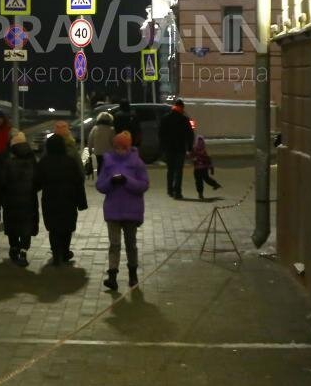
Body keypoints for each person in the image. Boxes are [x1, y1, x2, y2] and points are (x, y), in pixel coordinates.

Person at [96, 131, 150, 290]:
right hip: (113, 209)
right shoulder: (108, 161)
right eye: (117, 147)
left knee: (130, 244)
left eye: (123, 147)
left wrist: (127, 181)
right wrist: (111, 182)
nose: (120, 150)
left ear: (128, 147)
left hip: (131, 210)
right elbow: (100, 185)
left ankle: (133, 275)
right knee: (114, 244)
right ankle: (112, 276)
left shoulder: (137, 163)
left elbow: (144, 185)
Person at [35, 134, 88, 265]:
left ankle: (56, 253)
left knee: (53, 228)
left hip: (50, 200)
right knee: (67, 227)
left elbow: (37, 181)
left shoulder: (44, 162)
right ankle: (65, 252)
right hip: (68, 200)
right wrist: (82, 202)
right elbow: (78, 182)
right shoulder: (70, 161)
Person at [0, 132, 39, 266]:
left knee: (12, 224)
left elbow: (1, 180)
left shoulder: (7, 157)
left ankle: (14, 247)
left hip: (10, 199)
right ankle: (23, 251)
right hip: (29, 199)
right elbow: (38, 179)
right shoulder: (32, 157)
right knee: (27, 225)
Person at [158, 98, 195, 199]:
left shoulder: (165, 118)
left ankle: (170, 190)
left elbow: (160, 134)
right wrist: (190, 147)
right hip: (180, 148)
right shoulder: (184, 119)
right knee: (178, 171)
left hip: (169, 148)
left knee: (170, 170)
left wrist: (162, 147)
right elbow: (190, 134)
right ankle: (177, 192)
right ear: (181, 108)